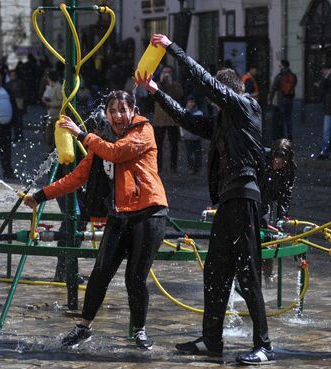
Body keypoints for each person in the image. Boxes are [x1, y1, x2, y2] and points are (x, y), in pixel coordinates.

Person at [135, 34, 273, 364]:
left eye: (217, 98)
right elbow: (187, 119)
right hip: (228, 200)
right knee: (215, 272)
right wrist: (155, 92)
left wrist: (172, 49)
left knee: (248, 273)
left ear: (227, 94)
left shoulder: (245, 107)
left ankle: (264, 345)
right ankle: (211, 340)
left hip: (244, 198)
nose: (213, 103)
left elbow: (205, 81)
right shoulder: (226, 120)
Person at [24, 90, 168, 350]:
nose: (118, 116)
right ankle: (84, 327)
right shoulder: (102, 143)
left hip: (150, 212)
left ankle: (140, 331)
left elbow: (117, 153)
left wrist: (81, 134)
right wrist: (40, 195)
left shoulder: (143, 130)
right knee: (100, 273)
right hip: (119, 215)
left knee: (135, 278)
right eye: (113, 111)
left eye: (123, 110)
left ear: (133, 110)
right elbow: (76, 178)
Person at [259, 138, 296, 281]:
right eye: (276, 160)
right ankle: (242, 275)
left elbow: (286, 193)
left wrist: (282, 217)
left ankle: (267, 275)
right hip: (255, 197)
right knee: (257, 233)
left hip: (269, 199)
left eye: (282, 161)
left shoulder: (290, 168)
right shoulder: (262, 159)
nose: (278, 164)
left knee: (270, 236)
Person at [153, 65, 183, 173]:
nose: (166, 75)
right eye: (164, 72)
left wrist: (171, 85)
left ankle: (173, 166)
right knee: (158, 145)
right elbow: (152, 94)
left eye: (168, 72)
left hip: (172, 119)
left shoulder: (176, 85)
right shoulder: (156, 85)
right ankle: (158, 166)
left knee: (174, 144)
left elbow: (179, 95)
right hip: (159, 120)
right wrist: (160, 83)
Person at [268, 60, 297, 140]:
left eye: (280, 65)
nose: (279, 67)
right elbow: (294, 84)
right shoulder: (293, 75)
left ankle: (282, 135)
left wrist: (270, 99)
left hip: (282, 100)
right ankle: (289, 135)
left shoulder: (279, 76)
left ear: (283, 66)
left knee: (281, 118)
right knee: (289, 117)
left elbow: (273, 88)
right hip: (290, 99)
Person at [181, 96, 203, 175]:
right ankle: (191, 168)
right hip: (188, 136)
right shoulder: (184, 112)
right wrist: (182, 134)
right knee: (189, 154)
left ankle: (197, 168)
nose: (190, 104)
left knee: (197, 154)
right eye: (189, 102)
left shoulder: (199, 113)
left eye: (192, 102)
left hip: (196, 137)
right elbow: (181, 125)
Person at [42, 70, 63, 147]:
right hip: (50, 114)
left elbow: (62, 102)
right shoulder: (50, 86)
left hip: (56, 116)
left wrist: (50, 104)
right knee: (48, 137)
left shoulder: (58, 87)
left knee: (54, 138)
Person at [5, 69, 27, 141]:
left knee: (18, 121)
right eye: (11, 75)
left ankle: (19, 135)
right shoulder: (8, 84)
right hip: (12, 103)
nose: (12, 76)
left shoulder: (20, 83)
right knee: (15, 121)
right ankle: (16, 135)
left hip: (18, 102)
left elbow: (24, 93)